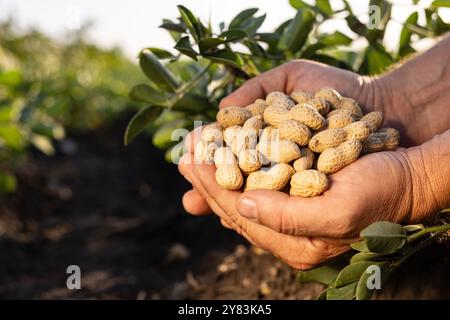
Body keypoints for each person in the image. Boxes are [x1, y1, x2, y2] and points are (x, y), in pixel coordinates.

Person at [178, 34, 450, 270]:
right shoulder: (267, 129)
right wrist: (394, 97)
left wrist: (421, 179)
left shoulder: (327, 135)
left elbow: (335, 135)